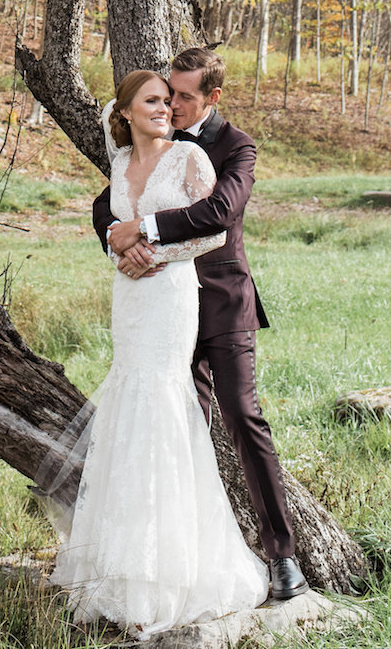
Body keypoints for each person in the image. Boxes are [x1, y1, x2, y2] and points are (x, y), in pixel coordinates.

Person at [51, 68, 269, 636]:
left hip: (172, 295)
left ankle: (173, 569)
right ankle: (120, 567)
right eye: (152, 101)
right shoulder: (120, 167)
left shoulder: (191, 159)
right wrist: (117, 251)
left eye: (169, 102)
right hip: (130, 298)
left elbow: (215, 232)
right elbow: (111, 226)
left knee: (165, 403)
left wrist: (154, 253)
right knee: (128, 404)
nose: (165, 109)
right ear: (123, 111)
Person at [93, 48, 308, 606]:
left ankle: (282, 555)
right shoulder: (149, 144)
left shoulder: (236, 146)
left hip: (222, 303)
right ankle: (169, 556)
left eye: (186, 95)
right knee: (174, 422)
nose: (176, 102)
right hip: (160, 308)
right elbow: (106, 203)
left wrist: (146, 235)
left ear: (212, 97)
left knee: (241, 416)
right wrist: (118, 239)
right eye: (169, 93)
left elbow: (220, 213)